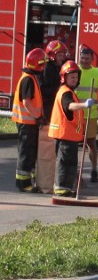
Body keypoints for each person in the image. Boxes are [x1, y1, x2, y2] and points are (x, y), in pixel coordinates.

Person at [48, 61, 97, 197]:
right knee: (64, 163)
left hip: (70, 136)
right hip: (65, 135)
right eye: (72, 77)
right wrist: (84, 104)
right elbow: (69, 106)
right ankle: (61, 187)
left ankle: (67, 188)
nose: (75, 80)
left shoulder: (69, 91)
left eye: (76, 77)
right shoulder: (65, 93)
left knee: (70, 163)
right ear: (64, 78)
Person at [12, 49, 48, 192]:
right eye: (43, 64)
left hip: (29, 122)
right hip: (26, 122)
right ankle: (23, 183)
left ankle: (31, 180)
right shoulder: (28, 79)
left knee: (30, 152)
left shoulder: (31, 78)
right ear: (37, 64)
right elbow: (27, 102)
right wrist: (37, 117)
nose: (44, 67)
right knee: (26, 153)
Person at [37, 40, 68, 193]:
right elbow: (46, 92)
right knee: (48, 151)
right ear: (52, 55)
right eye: (60, 54)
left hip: (51, 112)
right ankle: (46, 183)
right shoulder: (49, 69)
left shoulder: (54, 68)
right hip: (49, 114)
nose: (62, 57)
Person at [76, 47, 98, 182]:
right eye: (82, 58)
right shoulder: (74, 71)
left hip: (90, 115)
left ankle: (94, 170)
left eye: (87, 58)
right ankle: (75, 173)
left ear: (92, 59)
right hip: (76, 115)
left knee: (91, 143)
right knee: (73, 144)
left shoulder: (97, 73)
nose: (84, 61)